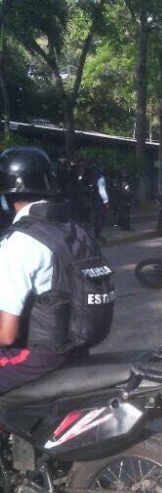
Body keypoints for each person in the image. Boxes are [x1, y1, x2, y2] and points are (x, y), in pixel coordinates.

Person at [0, 147, 114, 395]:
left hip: (38, 356)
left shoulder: (19, 242)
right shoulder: (76, 230)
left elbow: (7, 335)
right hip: (76, 346)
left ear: (7, 195)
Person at [91, 163, 109, 241]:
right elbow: (102, 191)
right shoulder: (101, 179)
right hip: (100, 200)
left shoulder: (94, 178)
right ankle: (97, 235)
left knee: (97, 217)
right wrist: (106, 201)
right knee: (101, 218)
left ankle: (96, 234)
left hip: (95, 199)